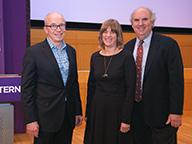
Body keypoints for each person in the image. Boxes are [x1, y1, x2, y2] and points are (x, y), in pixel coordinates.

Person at [124, 7, 184, 144]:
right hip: (135, 116)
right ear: (132, 24)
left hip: (162, 116)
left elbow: (176, 81)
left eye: (145, 19)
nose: (140, 24)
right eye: (136, 20)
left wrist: (176, 111)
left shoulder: (168, 45)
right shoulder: (127, 47)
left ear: (152, 22)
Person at [21, 12, 82, 144]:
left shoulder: (71, 51)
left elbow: (74, 84)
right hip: (45, 118)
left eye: (61, 25)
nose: (58, 29)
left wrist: (77, 111)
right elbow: (27, 89)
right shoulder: (33, 53)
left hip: (67, 115)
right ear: (46, 29)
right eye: (53, 26)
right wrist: (30, 119)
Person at [84, 19, 136, 144]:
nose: (108, 35)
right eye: (105, 32)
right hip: (97, 111)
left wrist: (126, 119)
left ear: (118, 35)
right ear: (101, 35)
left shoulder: (126, 57)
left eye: (112, 32)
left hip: (117, 112)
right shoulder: (95, 57)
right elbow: (91, 87)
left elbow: (130, 90)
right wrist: (88, 112)